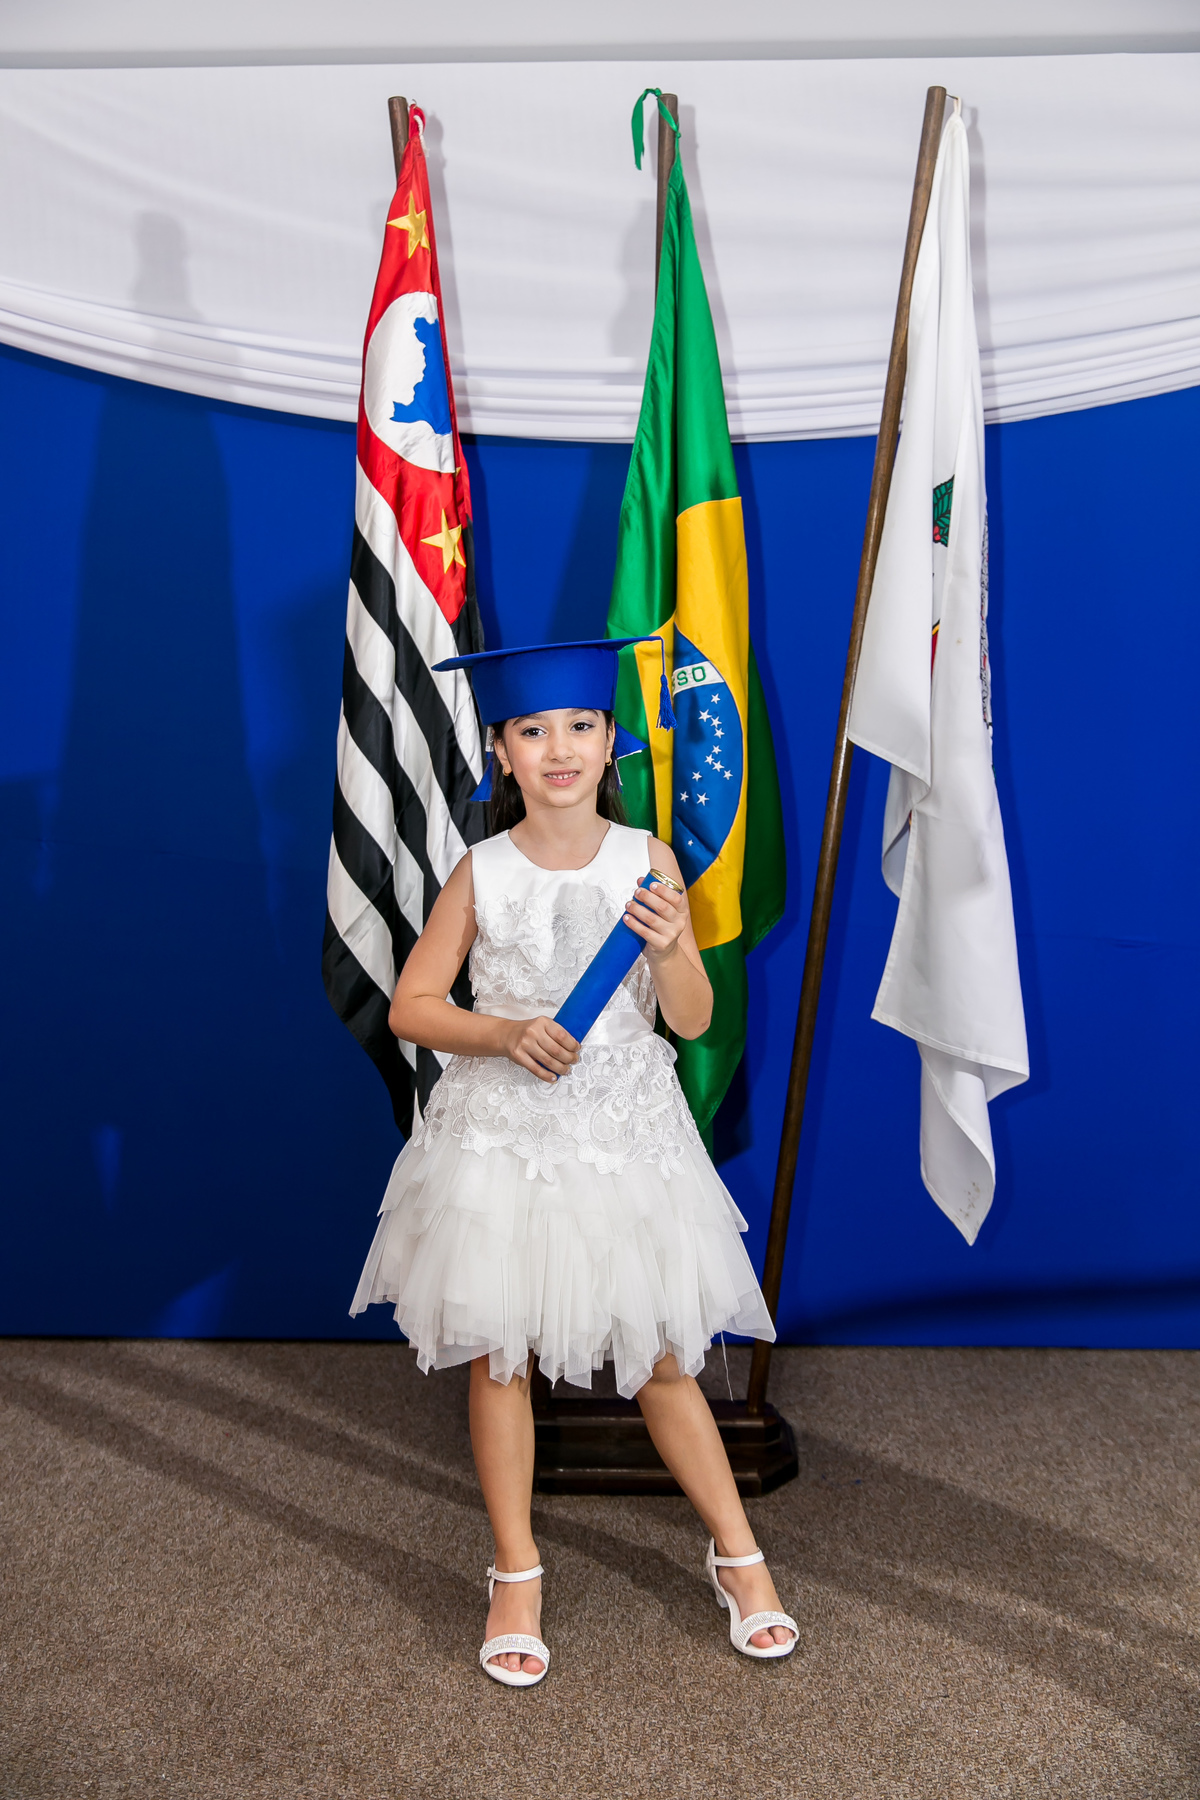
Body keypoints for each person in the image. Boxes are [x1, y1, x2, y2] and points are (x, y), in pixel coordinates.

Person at [351, 639, 797, 1686]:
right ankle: (515, 1567)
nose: (559, 749)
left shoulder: (648, 858)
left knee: (662, 1357)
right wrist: (504, 1033)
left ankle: (738, 1556)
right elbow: (414, 1006)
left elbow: (694, 1019)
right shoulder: (484, 870)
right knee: (501, 1356)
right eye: (533, 730)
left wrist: (673, 943)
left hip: (624, 1136)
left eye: (581, 727)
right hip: (507, 1139)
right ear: (502, 753)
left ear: (610, 745)